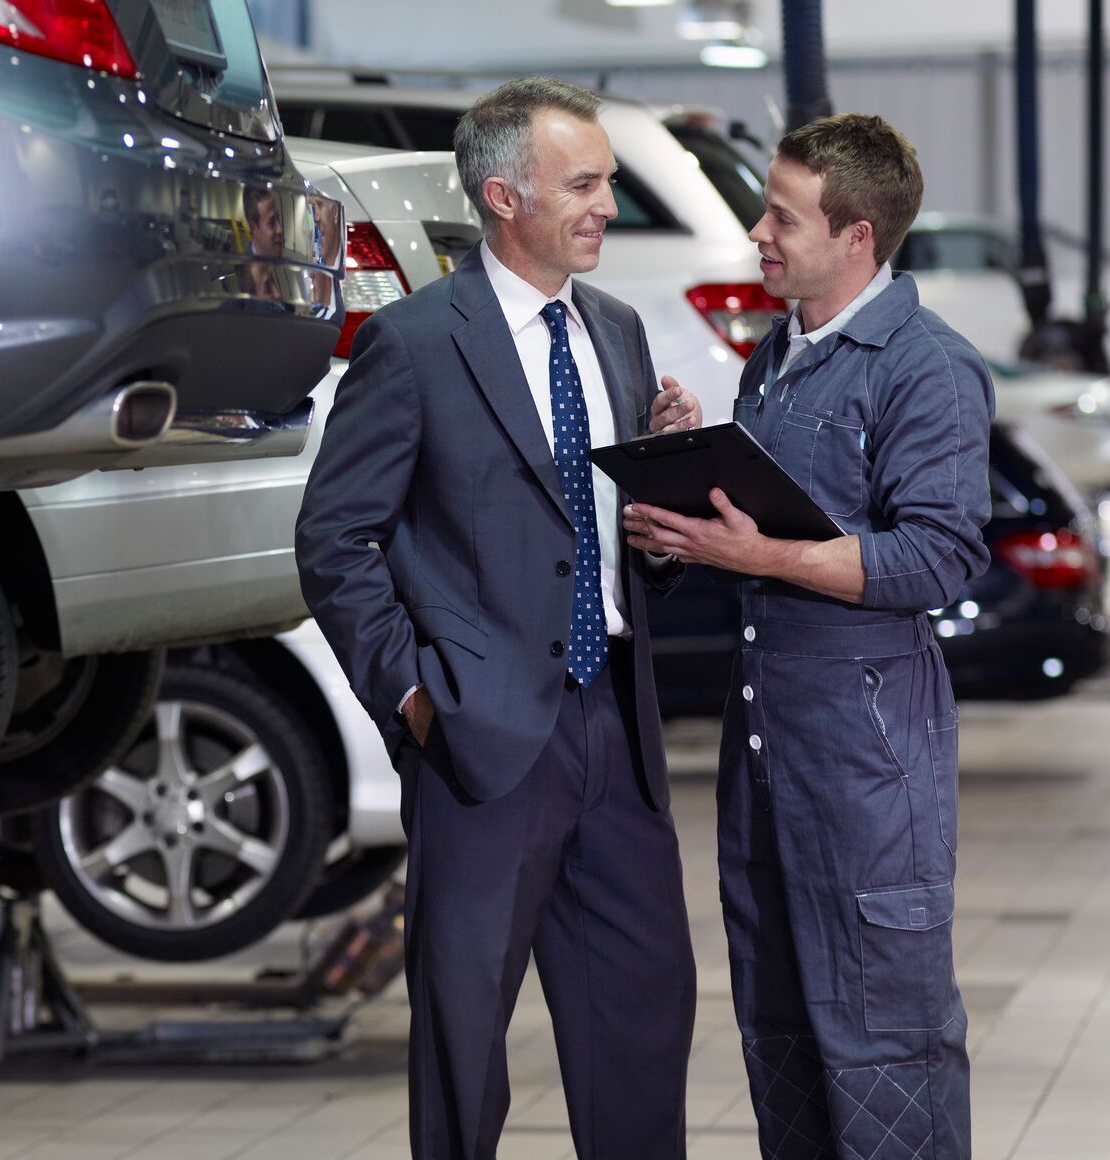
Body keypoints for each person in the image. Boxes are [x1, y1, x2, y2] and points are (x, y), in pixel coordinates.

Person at [296, 77, 703, 1160]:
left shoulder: (615, 332)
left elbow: (606, 534)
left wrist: (659, 517)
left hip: (615, 727)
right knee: (464, 1035)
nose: (607, 205)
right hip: (480, 739)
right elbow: (334, 540)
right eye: (585, 184)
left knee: (643, 1016)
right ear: (502, 196)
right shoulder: (416, 343)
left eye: (607, 182)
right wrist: (414, 693)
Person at [625, 113, 993, 1160]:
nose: (757, 232)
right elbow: (760, 524)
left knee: (889, 1045)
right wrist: (680, 505)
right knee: (781, 1040)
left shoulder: (924, 367)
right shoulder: (777, 358)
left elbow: (936, 556)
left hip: (869, 770)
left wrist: (760, 557)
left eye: (782, 217)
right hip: (766, 761)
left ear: (856, 236)